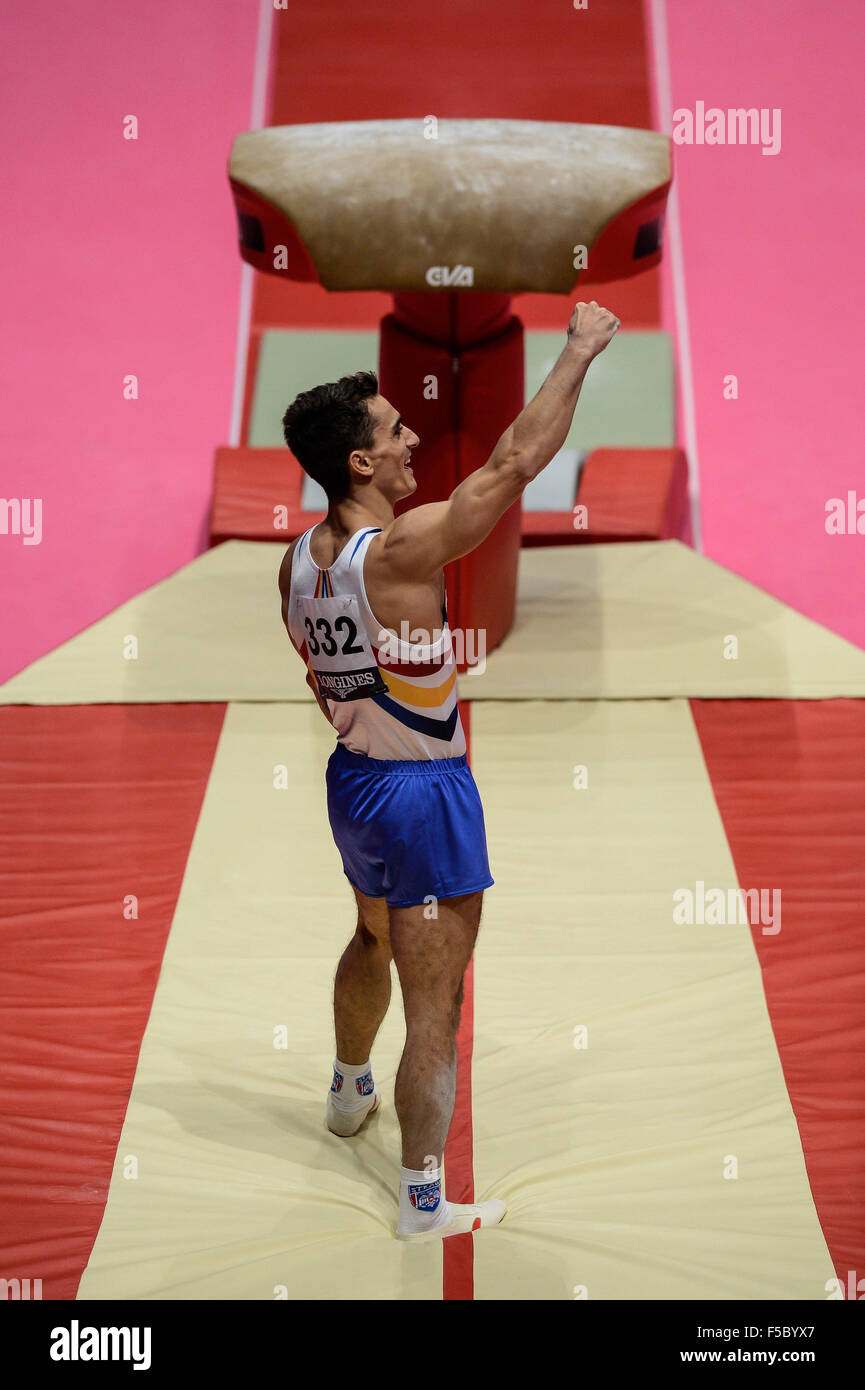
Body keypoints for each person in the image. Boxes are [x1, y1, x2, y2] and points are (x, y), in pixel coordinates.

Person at [278, 300, 620, 1240]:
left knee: (371, 939)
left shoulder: (297, 564)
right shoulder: (397, 550)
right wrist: (578, 350)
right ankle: (422, 1201)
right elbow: (512, 464)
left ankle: (349, 1093)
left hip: (353, 780)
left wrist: (373, 734)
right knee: (438, 1007)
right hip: (423, 795)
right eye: (393, 431)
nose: (411, 435)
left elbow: (318, 680)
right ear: (360, 464)